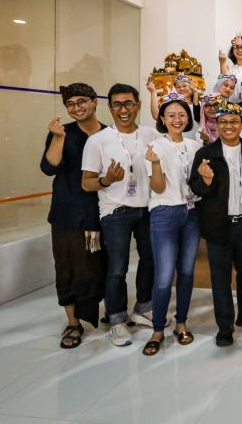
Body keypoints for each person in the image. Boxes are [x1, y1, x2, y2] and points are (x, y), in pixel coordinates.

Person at [81, 84, 159, 346]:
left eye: (128, 103)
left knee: (150, 260)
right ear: (110, 107)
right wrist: (107, 180)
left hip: (148, 208)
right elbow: (86, 183)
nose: (123, 109)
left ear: (138, 105)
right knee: (117, 268)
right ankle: (116, 319)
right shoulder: (98, 141)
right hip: (115, 211)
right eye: (117, 104)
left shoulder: (150, 134)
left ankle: (143, 308)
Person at [188, 101, 242, 346]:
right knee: (220, 278)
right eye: (223, 121)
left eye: (234, 121)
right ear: (216, 124)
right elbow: (196, 188)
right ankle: (224, 325)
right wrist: (206, 181)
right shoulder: (206, 154)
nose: (228, 126)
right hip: (217, 225)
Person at [40, 83, 106, 349]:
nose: (77, 108)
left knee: (102, 266)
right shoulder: (61, 133)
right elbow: (48, 168)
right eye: (71, 104)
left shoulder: (109, 134)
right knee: (67, 267)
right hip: (67, 213)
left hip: (101, 211)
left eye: (82, 102)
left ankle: (109, 311)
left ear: (94, 101)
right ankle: (73, 322)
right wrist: (57, 138)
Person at [140, 92, 202, 356]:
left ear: (188, 118)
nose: (177, 119)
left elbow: (198, 183)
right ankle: (157, 329)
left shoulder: (194, 146)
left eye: (182, 115)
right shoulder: (156, 146)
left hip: (192, 213)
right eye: (171, 115)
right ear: (163, 119)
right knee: (164, 275)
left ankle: (181, 323)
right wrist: (155, 164)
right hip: (165, 212)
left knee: (186, 272)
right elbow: (158, 187)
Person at [147, 74, 202, 141]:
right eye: (178, 87)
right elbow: (156, 116)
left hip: (195, 143)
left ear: (192, 87)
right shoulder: (171, 106)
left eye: (185, 86)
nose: (181, 89)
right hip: (173, 143)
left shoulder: (201, 105)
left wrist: (195, 92)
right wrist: (153, 92)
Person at [219, 35, 242, 103]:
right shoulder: (229, 69)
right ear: (232, 51)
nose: (239, 50)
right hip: (232, 106)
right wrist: (222, 63)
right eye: (236, 47)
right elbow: (222, 84)